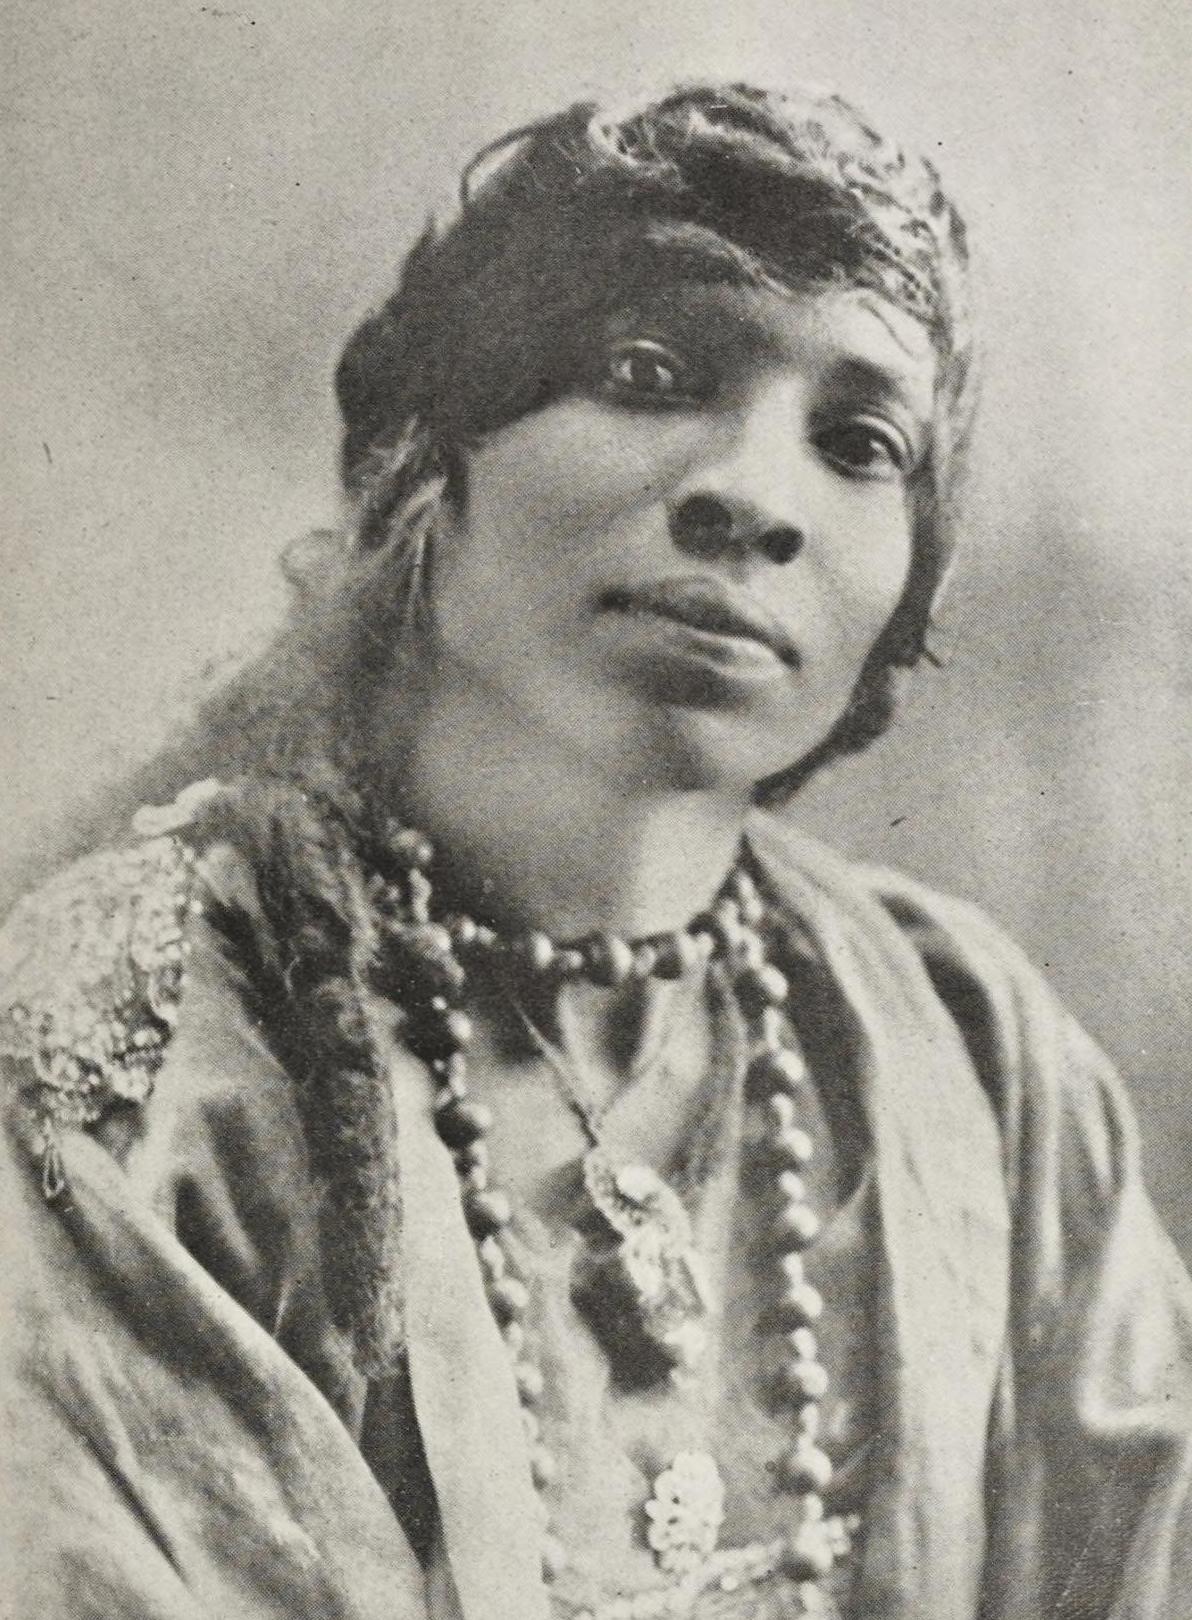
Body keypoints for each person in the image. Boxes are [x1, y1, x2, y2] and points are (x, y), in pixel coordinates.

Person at [2, 82, 1190, 1620]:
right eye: (648, 372)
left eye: (859, 441)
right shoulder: (153, 1047)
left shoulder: (977, 1053)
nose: (755, 496)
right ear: (431, 460)